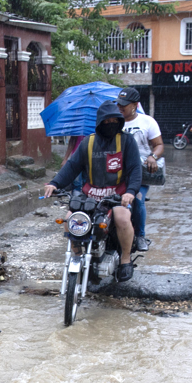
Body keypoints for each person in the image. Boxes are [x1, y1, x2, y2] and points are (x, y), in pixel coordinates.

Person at [42, 101, 142, 282]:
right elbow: (72, 167)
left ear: (119, 122)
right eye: (107, 121)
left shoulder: (127, 141)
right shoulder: (88, 143)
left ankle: (125, 260)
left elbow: (136, 169)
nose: (110, 124)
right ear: (99, 123)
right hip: (90, 196)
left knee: (122, 218)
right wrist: (55, 183)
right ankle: (78, 256)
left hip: (116, 196)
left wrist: (131, 192)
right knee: (69, 220)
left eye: (114, 120)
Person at [117, 87, 163, 253]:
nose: (120, 107)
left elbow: (159, 145)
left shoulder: (147, 122)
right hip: (116, 171)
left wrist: (153, 157)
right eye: (118, 104)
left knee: (137, 199)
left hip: (139, 171)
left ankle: (140, 235)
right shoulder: (113, 121)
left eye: (124, 104)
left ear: (135, 105)